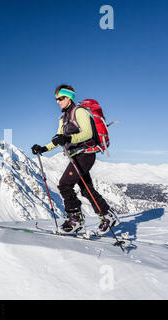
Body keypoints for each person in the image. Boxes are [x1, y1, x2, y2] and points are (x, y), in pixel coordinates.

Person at [31, 84, 119, 235]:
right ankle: (107, 216)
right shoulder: (63, 118)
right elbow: (59, 138)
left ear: (69, 97)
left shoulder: (79, 111)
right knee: (86, 189)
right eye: (56, 99)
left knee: (64, 185)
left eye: (60, 98)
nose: (58, 101)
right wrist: (43, 148)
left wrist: (68, 137)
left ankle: (75, 221)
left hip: (85, 154)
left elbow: (87, 133)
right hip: (76, 156)